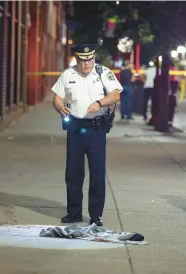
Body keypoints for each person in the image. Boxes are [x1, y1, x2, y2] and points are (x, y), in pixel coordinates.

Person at [51, 42, 123, 226]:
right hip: (75, 126)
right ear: (76, 58)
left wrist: (99, 103)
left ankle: (96, 215)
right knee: (73, 172)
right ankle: (74, 212)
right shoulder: (69, 73)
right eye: (82, 60)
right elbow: (57, 97)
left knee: (97, 171)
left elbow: (115, 95)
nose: (86, 64)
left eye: (89, 59)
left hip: (95, 127)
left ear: (94, 57)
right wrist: (60, 108)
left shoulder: (102, 73)